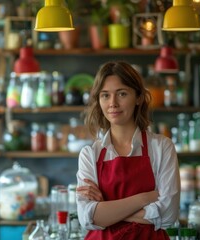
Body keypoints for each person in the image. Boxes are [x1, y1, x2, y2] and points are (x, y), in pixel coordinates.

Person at [76, 61, 180, 239]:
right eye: (105, 95)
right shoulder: (90, 154)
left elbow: (168, 215)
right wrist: (144, 199)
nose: (113, 103)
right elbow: (87, 217)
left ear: (139, 97)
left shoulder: (162, 147)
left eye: (122, 94)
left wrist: (107, 208)